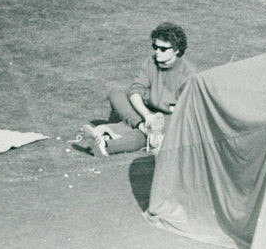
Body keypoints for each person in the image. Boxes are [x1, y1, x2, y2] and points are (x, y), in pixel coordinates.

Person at [80, 22, 197, 157]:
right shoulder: (150, 62)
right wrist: (146, 116)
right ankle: (141, 128)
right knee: (115, 93)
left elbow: (186, 112)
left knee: (142, 136)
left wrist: (159, 122)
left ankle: (106, 144)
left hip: (169, 119)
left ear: (176, 50)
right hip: (146, 112)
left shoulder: (189, 74)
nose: (157, 51)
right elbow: (135, 90)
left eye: (163, 49)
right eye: (155, 47)